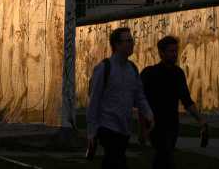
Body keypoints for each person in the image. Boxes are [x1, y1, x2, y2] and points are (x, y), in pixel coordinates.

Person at [87, 27, 154, 169]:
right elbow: (94, 101)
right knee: (116, 159)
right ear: (117, 45)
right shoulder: (104, 68)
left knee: (113, 161)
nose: (132, 43)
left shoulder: (132, 69)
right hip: (107, 126)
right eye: (128, 41)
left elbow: (139, 96)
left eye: (132, 40)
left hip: (124, 127)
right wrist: (92, 132)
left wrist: (149, 114)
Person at [140, 36, 208, 169]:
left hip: (172, 125)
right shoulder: (149, 74)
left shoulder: (178, 73)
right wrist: (142, 129)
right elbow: (142, 103)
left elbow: (186, 100)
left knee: (164, 158)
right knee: (164, 156)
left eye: (176, 51)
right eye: (171, 51)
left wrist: (201, 120)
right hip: (155, 125)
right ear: (161, 53)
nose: (174, 54)